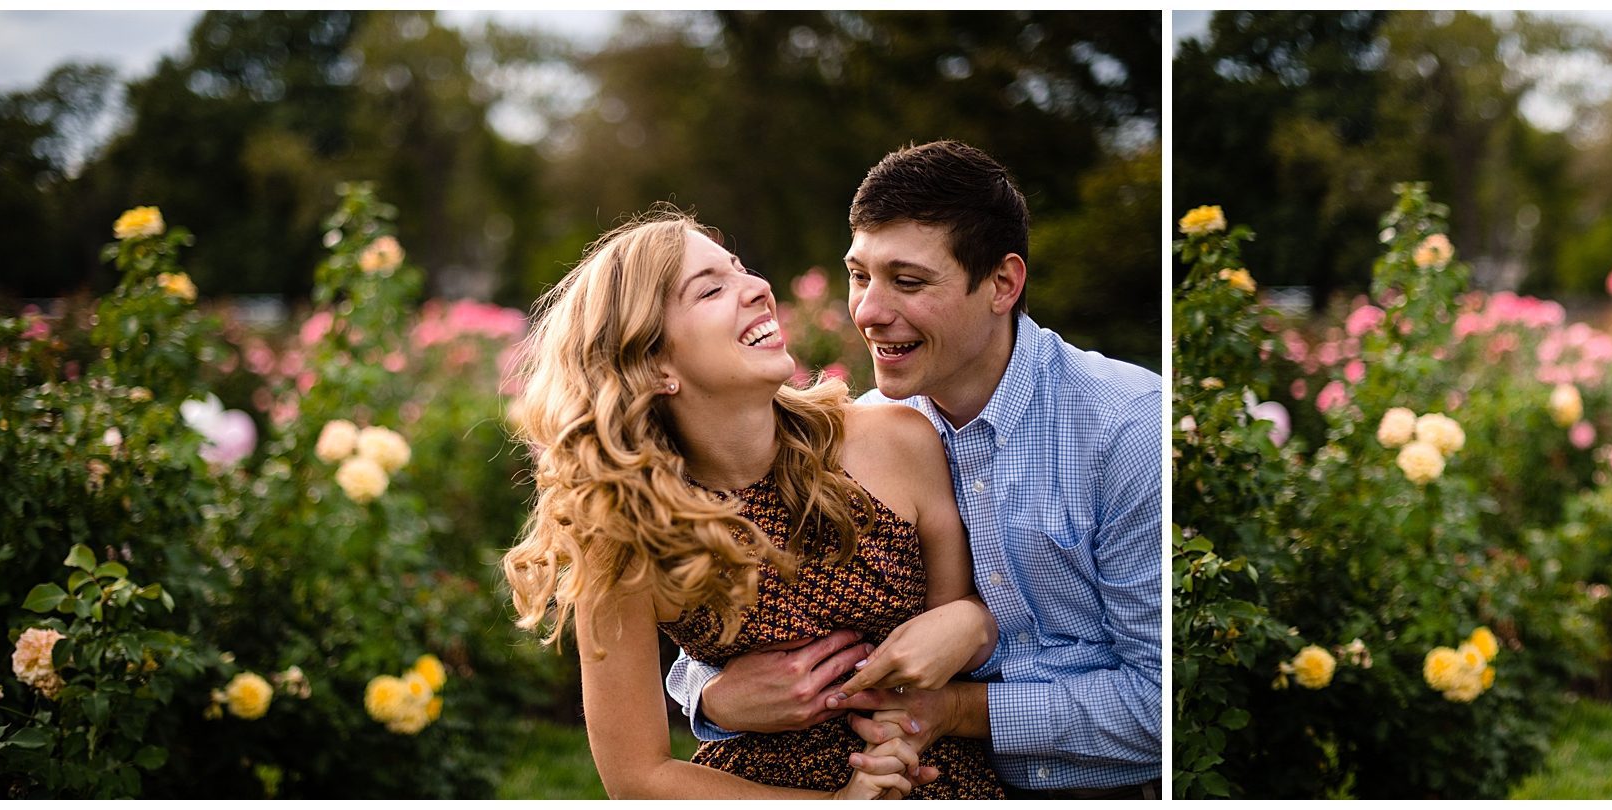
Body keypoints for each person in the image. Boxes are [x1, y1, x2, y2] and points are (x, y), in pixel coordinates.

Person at [663, 141, 1166, 799]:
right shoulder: (870, 436)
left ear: (1002, 284)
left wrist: (956, 707)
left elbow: (1163, 704)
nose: (868, 311)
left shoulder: (1125, 428)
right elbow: (768, 609)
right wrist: (715, 697)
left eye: (907, 281)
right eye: (859, 275)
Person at [499, 210, 1005, 798]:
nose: (759, 288)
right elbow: (636, 776)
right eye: (712, 288)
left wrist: (970, 626)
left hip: (936, 773)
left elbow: (967, 628)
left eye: (741, 270)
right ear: (656, 364)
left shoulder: (896, 442)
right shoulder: (625, 533)